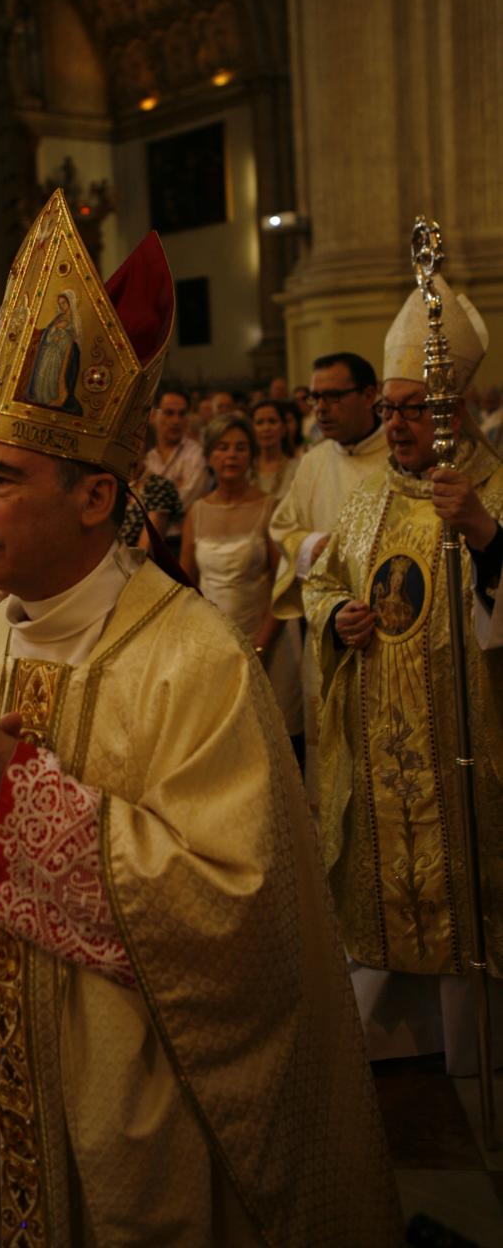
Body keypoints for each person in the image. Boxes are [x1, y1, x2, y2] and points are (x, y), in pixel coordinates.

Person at [0, 190, 400, 1247]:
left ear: (93, 498)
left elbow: (236, 905)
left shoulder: (193, 658)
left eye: (0, 478)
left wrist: (15, 798)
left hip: (129, 1085)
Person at [304, 275, 503, 1074]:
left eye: (413, 409)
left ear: (454, 410)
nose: (395, 426)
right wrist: (336, 617)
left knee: (474, 904)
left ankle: (478, 1059)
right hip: (387, 759)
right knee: (385, 906)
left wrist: (487, 534)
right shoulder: (364, 506)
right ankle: (396, 1046)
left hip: (472, 755)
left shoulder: (494, 492)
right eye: (386, 410)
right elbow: (322, 583)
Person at [270, 352, 388, 797]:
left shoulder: (396, 456)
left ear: (370, 396)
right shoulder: (314, 462)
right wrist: (307, 548)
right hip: (327, 635)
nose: (321, 408)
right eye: (316, 397)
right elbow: (284, 526)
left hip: (385, 634)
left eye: (334, 396)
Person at [180, 412, 302, 749]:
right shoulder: (198, 512)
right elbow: (187, 583)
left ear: (251, 455)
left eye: (239, 448)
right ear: (209, 456)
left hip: (267, 638)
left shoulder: (269, 507)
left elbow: (283, 585)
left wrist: (259, 646)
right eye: (222, 448)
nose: (231, 455)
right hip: (214, 643)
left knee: (271, 740)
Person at [143, 380, 207, 547]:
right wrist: (173, 487)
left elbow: (185, 502)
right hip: (142, 540)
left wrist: (151, 502)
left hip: (180, 542)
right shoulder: (147, 457)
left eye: (182, 414)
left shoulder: (195, 454)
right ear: (154, 415)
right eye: (169, 413)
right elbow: (132, 504)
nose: (176, 421)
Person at [251, 396, 297, 496]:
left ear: (284, 429)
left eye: (272, 421)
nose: (266, 428)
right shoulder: (246, 470)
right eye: (259, 423)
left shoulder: (297, 469)